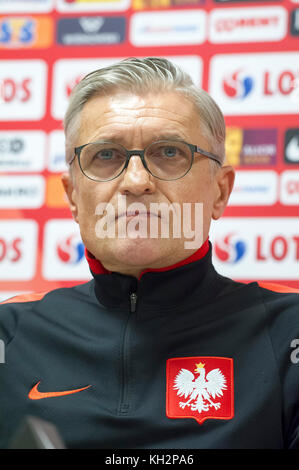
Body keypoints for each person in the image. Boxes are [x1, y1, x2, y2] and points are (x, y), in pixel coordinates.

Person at [0, 57, 298, 449]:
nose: (137, 182)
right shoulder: (10, 333)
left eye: (169, 152)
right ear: (72, 196)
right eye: (106, 155)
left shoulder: (288, 330)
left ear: (220, 192)